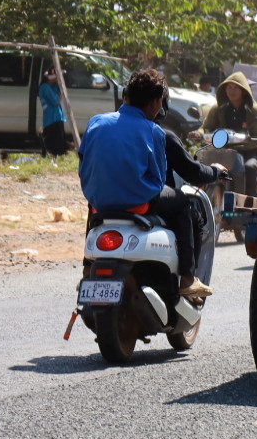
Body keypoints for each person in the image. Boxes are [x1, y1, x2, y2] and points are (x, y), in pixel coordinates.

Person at [79, 69, 220, 299]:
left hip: (99, 201)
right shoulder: (154, 131)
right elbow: (157, 177)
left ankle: (87, 269)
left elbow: (84, 160)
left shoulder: (96, 122)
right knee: (182, 203)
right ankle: (187, 279)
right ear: (156, 102)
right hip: (138, 202)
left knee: (92, 207)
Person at [200, 71, 257, 190]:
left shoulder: (254, 110)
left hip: (248, 151)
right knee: (202, 165)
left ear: (243, 90)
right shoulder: (218, 108)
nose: (232, 91)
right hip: (223, 150)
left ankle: (249, 200)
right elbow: (206, 127)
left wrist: (243, 143)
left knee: (250, 167)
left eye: (236, 88)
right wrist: (199, 134)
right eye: (229, 87)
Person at [39, 67, 69, 156]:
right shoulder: (45, 87)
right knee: (54, 144)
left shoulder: (54, 86)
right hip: (51, 120)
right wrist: (61, 92)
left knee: (61, 142)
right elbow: (55, 101)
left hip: (58, 118)